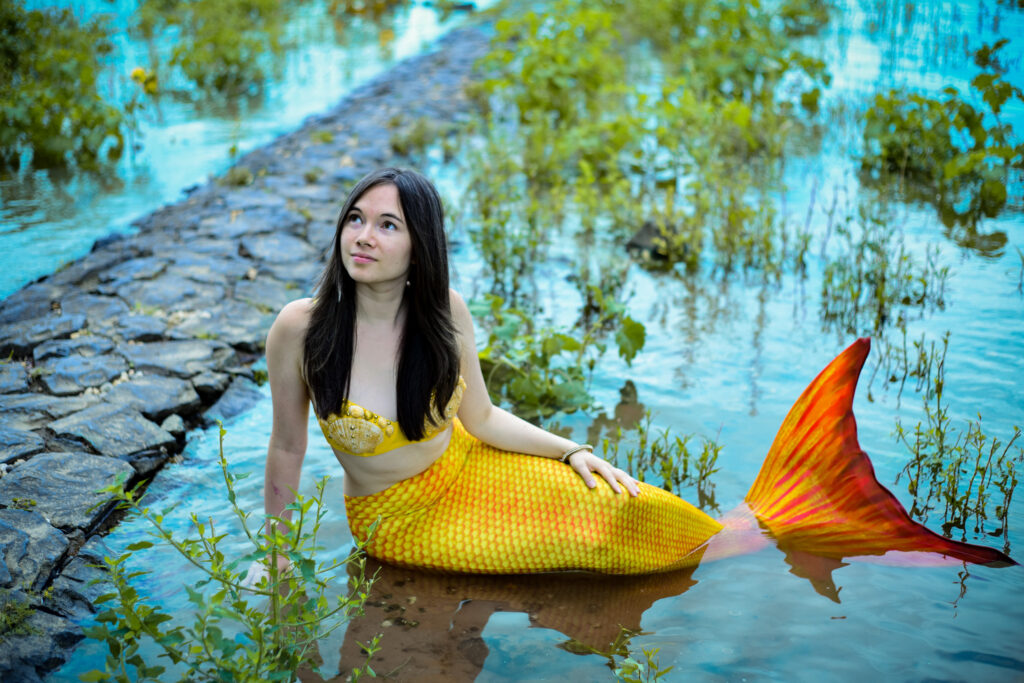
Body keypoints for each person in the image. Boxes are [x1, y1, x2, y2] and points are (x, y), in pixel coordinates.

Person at [264, 167, 1013, 576]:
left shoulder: (444, 312)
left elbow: (483, 420)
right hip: (402, 520)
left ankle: (790, 521)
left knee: (624, 503)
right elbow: (289, 449)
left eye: (387, 223)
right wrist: (273, 560)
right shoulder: (301, 328)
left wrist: (574, 449)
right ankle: (805, 528)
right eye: (356, 218)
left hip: (469, 467)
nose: (363, 236)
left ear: (420, 246)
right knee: (593, 548)